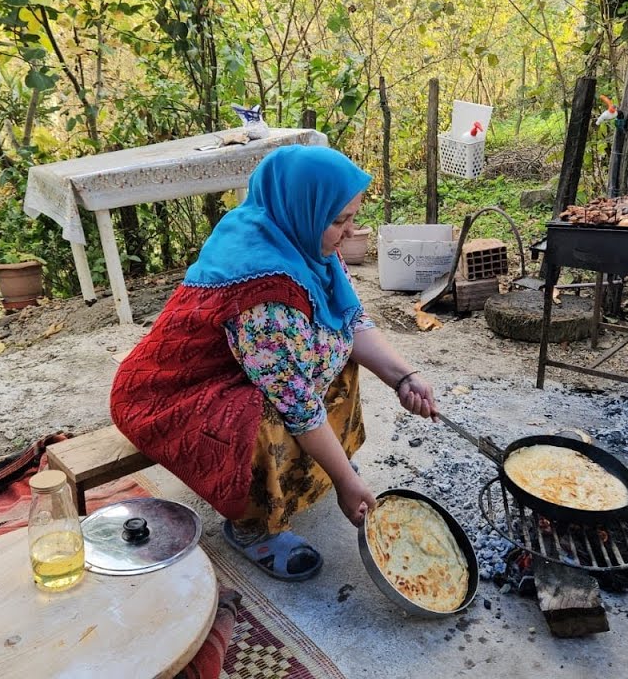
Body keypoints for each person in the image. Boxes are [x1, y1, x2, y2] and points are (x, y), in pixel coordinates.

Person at [110, 144, 436, 582]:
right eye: (338, 221)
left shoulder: (301, 238)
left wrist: (403, 377)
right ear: (302, 208)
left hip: (237, 367)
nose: (349, 231)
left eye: (352, 217)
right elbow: (295, 402)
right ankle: (252, 527)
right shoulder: (261, 291)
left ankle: (314, 468)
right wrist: (345, 482)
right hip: (166, 396)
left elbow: (349, 319)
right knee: (260, 413)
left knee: (335, 354)